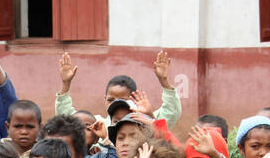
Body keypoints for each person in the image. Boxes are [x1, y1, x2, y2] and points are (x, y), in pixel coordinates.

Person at [55, 50, 184, 126]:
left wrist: (164, 81)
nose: (116, 103)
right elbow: (68, 119)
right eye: (111, 100)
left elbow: (171, 112)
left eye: (122, 99)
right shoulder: (98, 124)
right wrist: (66, 85)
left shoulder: (145, 122)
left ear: (135, 100)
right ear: (104, 100)